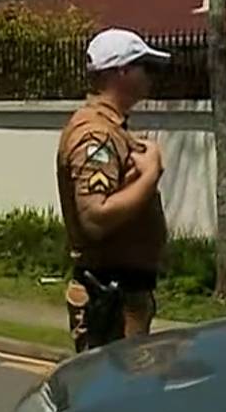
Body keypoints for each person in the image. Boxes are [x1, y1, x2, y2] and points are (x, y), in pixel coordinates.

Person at [56, 28, 170, 353]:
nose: (151, 76)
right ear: (122, 71)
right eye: (144, 67)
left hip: (122, 292)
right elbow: (95, 216)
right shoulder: (96, 134)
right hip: (109, 296)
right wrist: (150, 175)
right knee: (110, 392)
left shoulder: (111, 129)